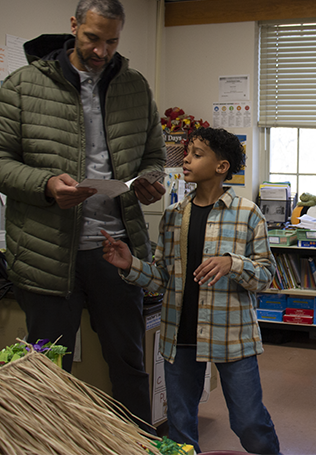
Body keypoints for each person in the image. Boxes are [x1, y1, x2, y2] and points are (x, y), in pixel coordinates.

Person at [0, 0, 166, 430]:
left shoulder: (135, 86)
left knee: (128, 362)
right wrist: (46, 185)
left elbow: (155, 154)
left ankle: (138, 442)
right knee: (48, 371)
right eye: (92, 38)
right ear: (73, 25)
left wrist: (150, 180)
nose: (101, 51)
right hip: (47, 254)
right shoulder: (24, 85)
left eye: (112, 42)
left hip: (116, 250)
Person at [101, 127, 282, 455]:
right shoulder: (172, 216)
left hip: (232, 335)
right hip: (179, 335)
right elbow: (161, 280)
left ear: (221, 166)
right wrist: (129, 265)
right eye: (188, 152)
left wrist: (232, 263)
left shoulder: (247, 214)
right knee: (181, 425)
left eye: (197, 154)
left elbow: (266, 277)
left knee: (248, 422)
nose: (186, 159)